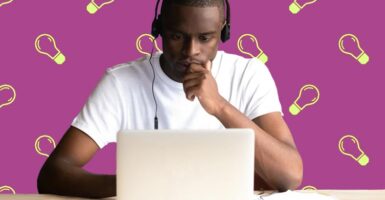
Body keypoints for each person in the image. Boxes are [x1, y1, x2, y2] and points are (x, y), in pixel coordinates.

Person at [37, 0, 303, 198]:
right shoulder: (121, 83)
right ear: (159, 29)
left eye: (205, 38)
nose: (191, 51)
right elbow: (54, 173)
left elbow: (289, 175)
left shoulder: (249, 74)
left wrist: (219, 106)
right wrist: (138, 186)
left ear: (223, 31)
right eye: (177, 36)